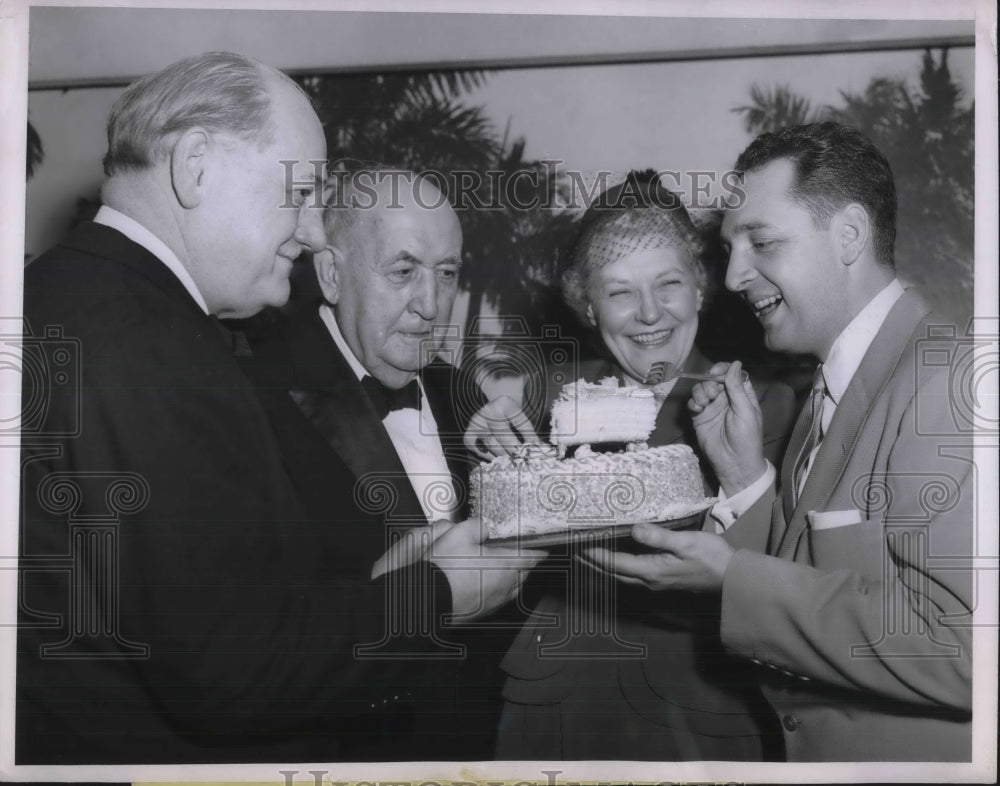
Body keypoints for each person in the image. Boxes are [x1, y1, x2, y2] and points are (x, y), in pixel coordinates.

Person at [17, 52, 536, 765]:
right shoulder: (155, 343)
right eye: (299, 192)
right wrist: (442, 591)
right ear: (196, 165)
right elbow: (230, 672)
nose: (316, 232)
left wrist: (388, 582)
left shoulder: (52, 299)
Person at [586, 123, 973, 761]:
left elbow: (966, 650)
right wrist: (746, 481)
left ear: (848, 235)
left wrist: (732, 578)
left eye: (760, 242)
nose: (735, 275)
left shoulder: (948, 382)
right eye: (731, 247)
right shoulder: (830, 390)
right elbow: (827, 582)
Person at [467, 172, 797, 760]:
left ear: (699, 289)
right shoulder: (549, 398)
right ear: (588, 308)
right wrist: (496, 456)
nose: (649, 313)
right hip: (558, 695)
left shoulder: (762, 404)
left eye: (668, 284)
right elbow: (497, 547)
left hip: (700, 705)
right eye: (620, 292)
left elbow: (779, 578)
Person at [240, 168, 537, 759]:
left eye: (446, 274)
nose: (430, 306)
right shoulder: (247, 397)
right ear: (331, 274)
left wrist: (525, 478)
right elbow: (238, 639)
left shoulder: (463, 394)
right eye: (403, 272)